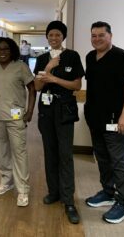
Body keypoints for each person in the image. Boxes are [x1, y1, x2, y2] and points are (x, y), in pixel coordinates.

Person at [84, 21, 124, 224]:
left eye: (101, 35)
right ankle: (107, 192)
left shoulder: (121, 56)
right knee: (103, 159)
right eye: (93, 35)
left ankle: (123, 203)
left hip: (117, 120)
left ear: (110, 36)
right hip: (95, 120)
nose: (96, 39)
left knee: (118, 161)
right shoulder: (90, 57)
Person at [34, 21, 84, 224]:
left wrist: (54, 80)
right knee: (49, 152)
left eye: (57, 35)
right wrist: (48, 68)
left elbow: (77, 85)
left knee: (65, 155)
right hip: (46, 110)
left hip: (64, 110)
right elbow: (37, 86)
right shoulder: (42, 59)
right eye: (50, 35)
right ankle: (53, 191)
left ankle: (68, 200)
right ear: (47, 37)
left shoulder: (72, 56)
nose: (53, 38)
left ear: (63, 37)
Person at [0, 37, 36, 207]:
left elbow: (32, 89)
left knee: (19, 152)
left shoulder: (21, 67)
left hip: (15, 117)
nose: (2, 52)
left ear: (12, 50)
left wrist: (29, 112)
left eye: (5, 49)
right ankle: (7, 181)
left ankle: (23, 190)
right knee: (1, 151)